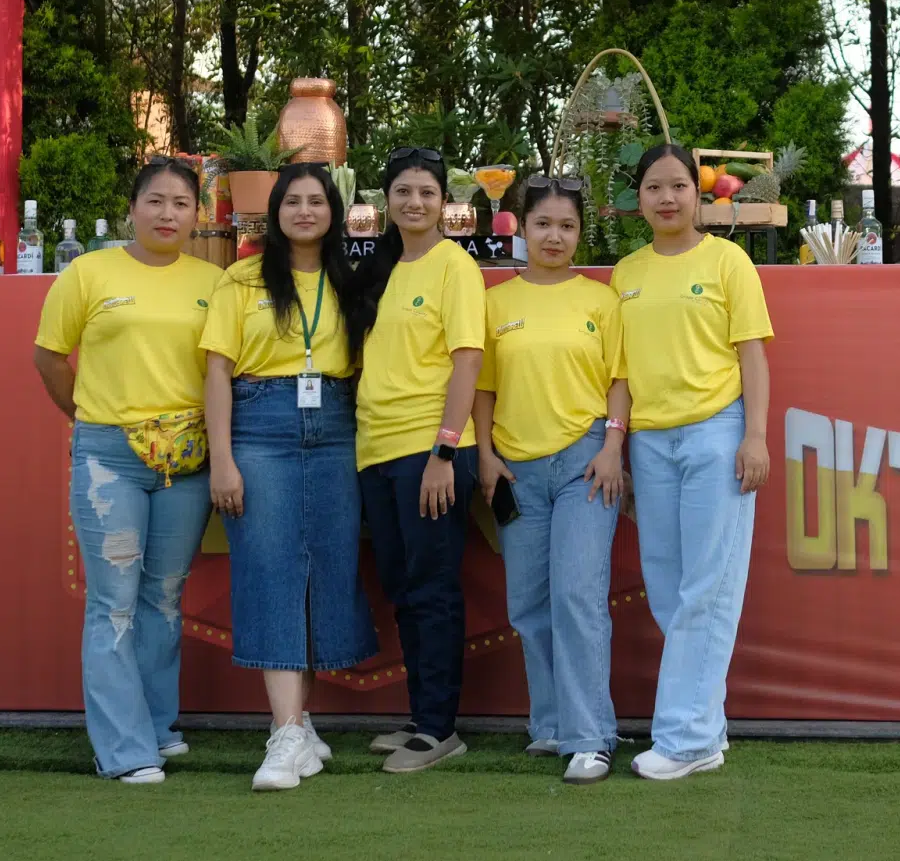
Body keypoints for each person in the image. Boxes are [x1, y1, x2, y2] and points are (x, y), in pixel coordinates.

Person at [32, 157, 223, 784]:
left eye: (181, 204)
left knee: (163, 598)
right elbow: (49, 356)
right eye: (155, 201)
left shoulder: (214, 281)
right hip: (109, 460)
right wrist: (91, 417)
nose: (168, 214)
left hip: (187, 462)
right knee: (113, 603)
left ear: (197, 216)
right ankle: (121, 749)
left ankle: (158, 725)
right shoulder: (88, 273)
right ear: (132, 209)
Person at [201, 163, 376, 791]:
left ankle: (299, 723)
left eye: (317, 201)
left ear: (334, 212)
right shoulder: (242, 279)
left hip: (337, 428)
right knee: (270, 570)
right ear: (274, 212)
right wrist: (222, 458)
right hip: (259, 427)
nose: (305, 211)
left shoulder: (349, 280)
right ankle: (286, 734)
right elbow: (216, 371)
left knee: (324, 572)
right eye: (293, 201)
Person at [611, 143, 773, 781]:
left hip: (716, 433)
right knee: (669, 590)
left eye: (678, 185)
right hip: (651, 442)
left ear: (698, 193)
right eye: (654, 187)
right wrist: (619, 447)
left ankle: (685, 740)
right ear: (639, 198)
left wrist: (754, 437)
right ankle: (706, 725)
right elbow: (620, 372)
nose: (667, 197)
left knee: (709, 587)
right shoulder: (626, 273)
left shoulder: (728, 261)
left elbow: (753, 356)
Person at [474, 174, 628, 785]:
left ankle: (591, 738)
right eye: (543, 224)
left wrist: (613, 445)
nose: (554, 236)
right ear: (521, 229)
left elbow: (620, 380)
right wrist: (484, 455)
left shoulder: (601, 301)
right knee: (529, 603)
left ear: (580, 233)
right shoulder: (495, 303)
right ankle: (552, 723)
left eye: (567, 226)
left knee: (577, 596)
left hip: (585, 461)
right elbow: (483, 388)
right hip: (515, 469)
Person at [347, 147, 485, 773]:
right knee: (402, 587)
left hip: (429, 450)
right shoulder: (379, 268)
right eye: (403, 191)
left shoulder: (455, 266)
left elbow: (468, 360)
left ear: (443, 202)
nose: (414, 202)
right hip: (375, 448)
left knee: (432, 588)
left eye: (427, 192)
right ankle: (420, 714)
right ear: (386, 201)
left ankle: (439, 728)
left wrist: (444, 449)